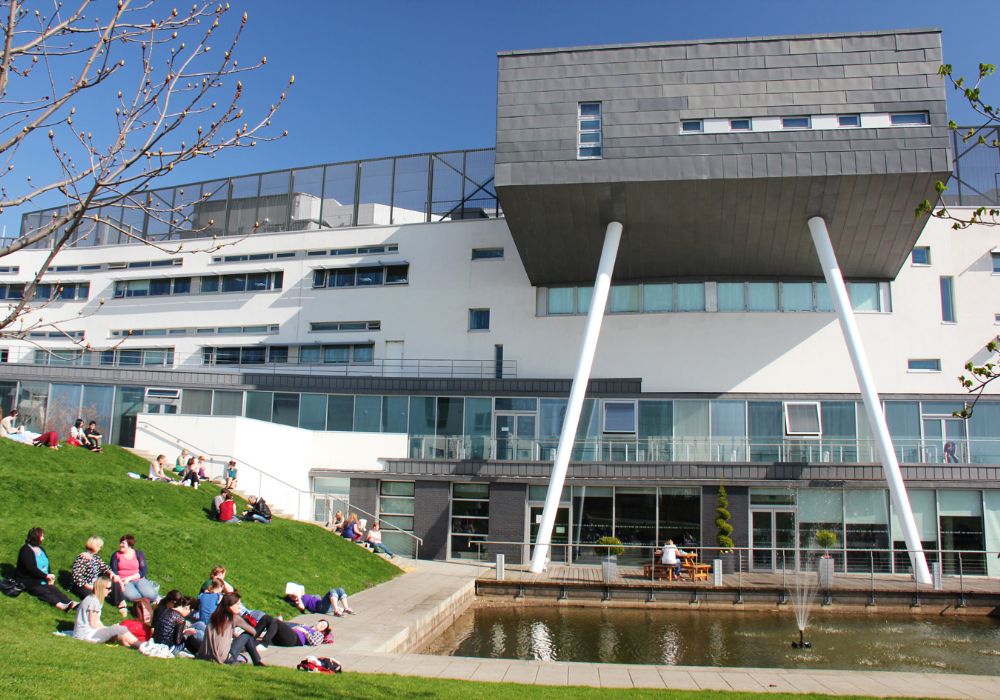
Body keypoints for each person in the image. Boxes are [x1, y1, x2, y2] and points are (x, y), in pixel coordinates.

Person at [16, 527, 77, 611]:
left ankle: (71, 603)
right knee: (43, 591)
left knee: (53, 589)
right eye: (42, 536)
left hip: (43, 578)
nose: (43, 538)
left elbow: (47, 564)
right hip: (30, 581)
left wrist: (49, 576)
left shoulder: (41, 549)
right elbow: (31, 568)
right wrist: (46, 575)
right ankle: (61, 606)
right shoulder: (25, 550)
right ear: (37, 538)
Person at [196, 591, 264, 666]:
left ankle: (256, 661)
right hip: (222, 658)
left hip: (205, 655)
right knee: (247, 635)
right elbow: (253, 632)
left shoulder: (213, 616)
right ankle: (257, 661)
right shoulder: (234, 618)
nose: (239, 607)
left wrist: (233, 634)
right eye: (237, 604)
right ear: (230, 605)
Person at [73, 576, 139, 646]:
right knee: (121, 629)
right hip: (86, 635)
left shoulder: (91, 598)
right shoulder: (94, 601)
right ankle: (141, 645)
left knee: (119, 634)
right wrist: (109, 628)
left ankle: (134, 645)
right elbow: (93, 624)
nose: (110, 591)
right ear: (101, 588)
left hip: (82, 633)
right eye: (108, 588)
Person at [110, 534, 160, 603]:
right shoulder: (116, 555)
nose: (120, 545)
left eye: (123, 543)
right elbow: (114, 571)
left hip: (138, 579)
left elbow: (143, 570)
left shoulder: (138, 554)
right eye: (120, 542)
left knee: (152, 595)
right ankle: (143, 601)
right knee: (134, 597)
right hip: (123, 581)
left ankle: (149, 593)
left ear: (129, 544)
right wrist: (121, 582)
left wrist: (129, 578)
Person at [153, 591, 197, 655]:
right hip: (169, 648)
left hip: (155, 643)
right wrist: (186, 634)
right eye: (189, 611)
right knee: (186, 641)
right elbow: (178, 641)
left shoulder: (165, 611)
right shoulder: (180, 619)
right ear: (187, 607)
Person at [254, 615, 333, 648]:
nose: (322, 625)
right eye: (322, 623)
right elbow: (286, 628)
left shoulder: (319, 634)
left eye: (324, 626)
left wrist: (305, 632)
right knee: (267, 618)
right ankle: (251, 637)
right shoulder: (304, 626)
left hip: (294, 639)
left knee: (276, 622)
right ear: (317, 622)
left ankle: (264, 644)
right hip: (282, 636)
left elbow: (314, 642)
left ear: (323, 630)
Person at [286, 587, 353, 616]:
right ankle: (336, 611)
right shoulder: (299, 601)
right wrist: (297, 597)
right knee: (331, 591)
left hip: (323, 605)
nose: (293, 596)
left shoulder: (303, 596)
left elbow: (302, 590)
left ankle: (346, 608)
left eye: (293, 595)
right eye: (291, 596)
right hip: (320, 607)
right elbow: (302, 608)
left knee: (340, 590)